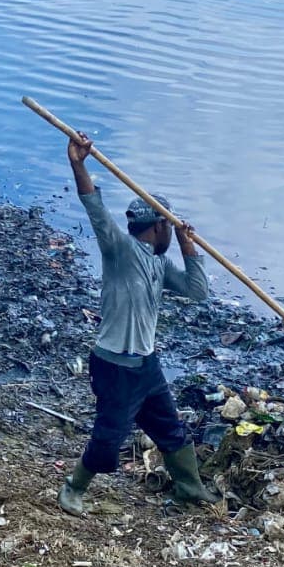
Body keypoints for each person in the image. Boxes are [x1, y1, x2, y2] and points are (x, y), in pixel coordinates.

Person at [58, 132, 220, 515]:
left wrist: (187, 244)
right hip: (114, 364)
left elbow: (198, 292)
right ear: (157, 227)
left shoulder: (159, 264)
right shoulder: (118, 249)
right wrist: (78, 164)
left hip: (146, 365)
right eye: (168, 227)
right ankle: (72, 488)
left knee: (170, 429)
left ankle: (189, 487)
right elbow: (95, 209)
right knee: (109, 437)